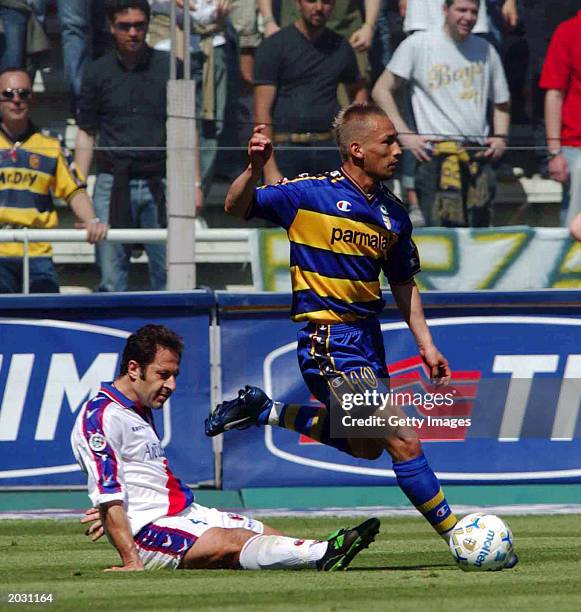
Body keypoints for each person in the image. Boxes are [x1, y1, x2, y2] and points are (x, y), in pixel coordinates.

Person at [208, 103, 477, 554]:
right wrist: (254, 168)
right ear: (356, 150)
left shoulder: (393, 215)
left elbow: (404, 283)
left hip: (367, 341)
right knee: (403, 439)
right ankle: (459, 536)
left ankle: (265, 411)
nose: (397, 150)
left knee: (368, 447)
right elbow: (237, 205)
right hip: (329, 339)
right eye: (387, 143)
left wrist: (426, 345)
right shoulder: (308, 194)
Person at [71, 324, 379, 571]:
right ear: (134, 369)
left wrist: (115, 512)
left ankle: (321, 552)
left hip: (183, 510)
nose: (172, 386)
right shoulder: (100, 417)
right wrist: (130, 558)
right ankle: (325, 553)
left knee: (264, 532)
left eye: (175, 375)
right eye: (163, 375)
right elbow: (108, 492)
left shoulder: (137, 408)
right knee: (232, 542)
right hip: (149, 532)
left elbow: (134, 479)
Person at [74, 0, 194, 292]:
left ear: (148, 25)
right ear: (110, 27)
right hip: (112, 180)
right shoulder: (96, 72)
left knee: (170, 278)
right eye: (124, 26)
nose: (132, 33)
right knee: (111, 279)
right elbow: (86, 133)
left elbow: (186, 130)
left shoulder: (171, 67)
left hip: (161, 181)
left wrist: (194, 184)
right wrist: (76, 189)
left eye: (139, 25)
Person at [372, 0, 510, 227]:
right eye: (461, 10)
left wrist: (501, 137)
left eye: (474, 12)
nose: (468, 17)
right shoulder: (418, 44)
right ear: (445, 10)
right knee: (444, 237)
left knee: (479, 236)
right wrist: (404, 135)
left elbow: (502, 102)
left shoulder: (486, 50)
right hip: (435, 157)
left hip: (478, 157)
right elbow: (381, 90)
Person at [0, 68, 107, 293]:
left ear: (32, 98)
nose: (17, 101)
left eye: (23, 94)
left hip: (37, 253)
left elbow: (75, 191)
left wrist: (92, 220)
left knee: (46, 317)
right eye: (9, 94)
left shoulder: (51, 147)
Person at [254, 0, 367, 184]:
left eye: (326, 2)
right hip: (286, 149)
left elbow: (358, 91)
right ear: (298, 4)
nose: (319, 8)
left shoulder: (340, 47)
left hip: (329, 148)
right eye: (311, 1)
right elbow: (261, 112)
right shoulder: (274, 46)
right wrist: (270, 169)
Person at [539, 8, 581, 227]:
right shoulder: (568, 31)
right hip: (576, 148)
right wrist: (555, 152)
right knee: (574, 231)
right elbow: (554, 93)